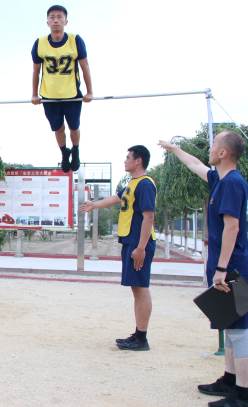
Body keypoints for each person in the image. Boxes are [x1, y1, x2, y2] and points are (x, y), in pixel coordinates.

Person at [159, 133, 248, 407]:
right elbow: (195, 165)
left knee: (238, 329)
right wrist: (174, 149)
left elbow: (232, 227)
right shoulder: (220, 180)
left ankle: (243, 396)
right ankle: (229, 380)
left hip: (232, 267)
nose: (210, 150)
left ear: (223, 153)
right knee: (229, 324)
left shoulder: (232, 183)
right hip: (226, 265)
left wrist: (222, 268)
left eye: (214, 146)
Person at [79, 145, 156, 351]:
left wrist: (141, 247)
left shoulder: (145, 184)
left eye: (128, 157)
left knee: (141, 288)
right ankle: (138, 335)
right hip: (131, 241)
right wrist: (94, 204)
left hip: (139, 243)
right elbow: (116, 198)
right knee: (136, 288)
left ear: (138, 160)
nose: (125, 160)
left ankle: (142, 339)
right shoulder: (133, 183)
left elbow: (149, 217)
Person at [31, 4, 93, 173]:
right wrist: (34, 94)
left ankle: (76, 150)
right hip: (49, 95)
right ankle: (64, 153)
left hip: (71, 94)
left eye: (60, 17)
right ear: (47, 22)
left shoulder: (75, 40)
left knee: (73, 126)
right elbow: (36, 70)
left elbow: (85, 66)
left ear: (66, 21)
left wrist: (89, 92)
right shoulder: (40, 43)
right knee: (58, 128)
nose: (56, 20)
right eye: (52, 17)